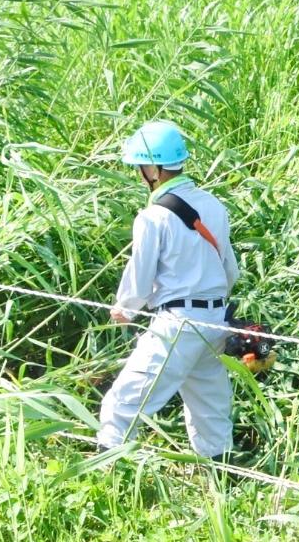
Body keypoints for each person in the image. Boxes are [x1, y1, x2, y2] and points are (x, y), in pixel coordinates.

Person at [95, 120, 241, 459]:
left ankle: (104, 478)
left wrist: (125, 307)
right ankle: (222, 482)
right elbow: (229, 268)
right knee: (210, 409)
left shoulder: (152, 216)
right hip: (216, 321)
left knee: (123, 404)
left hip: (178, 324)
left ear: (154, 169)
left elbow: (140, 274)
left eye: (140, 167)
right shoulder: (214, 205)